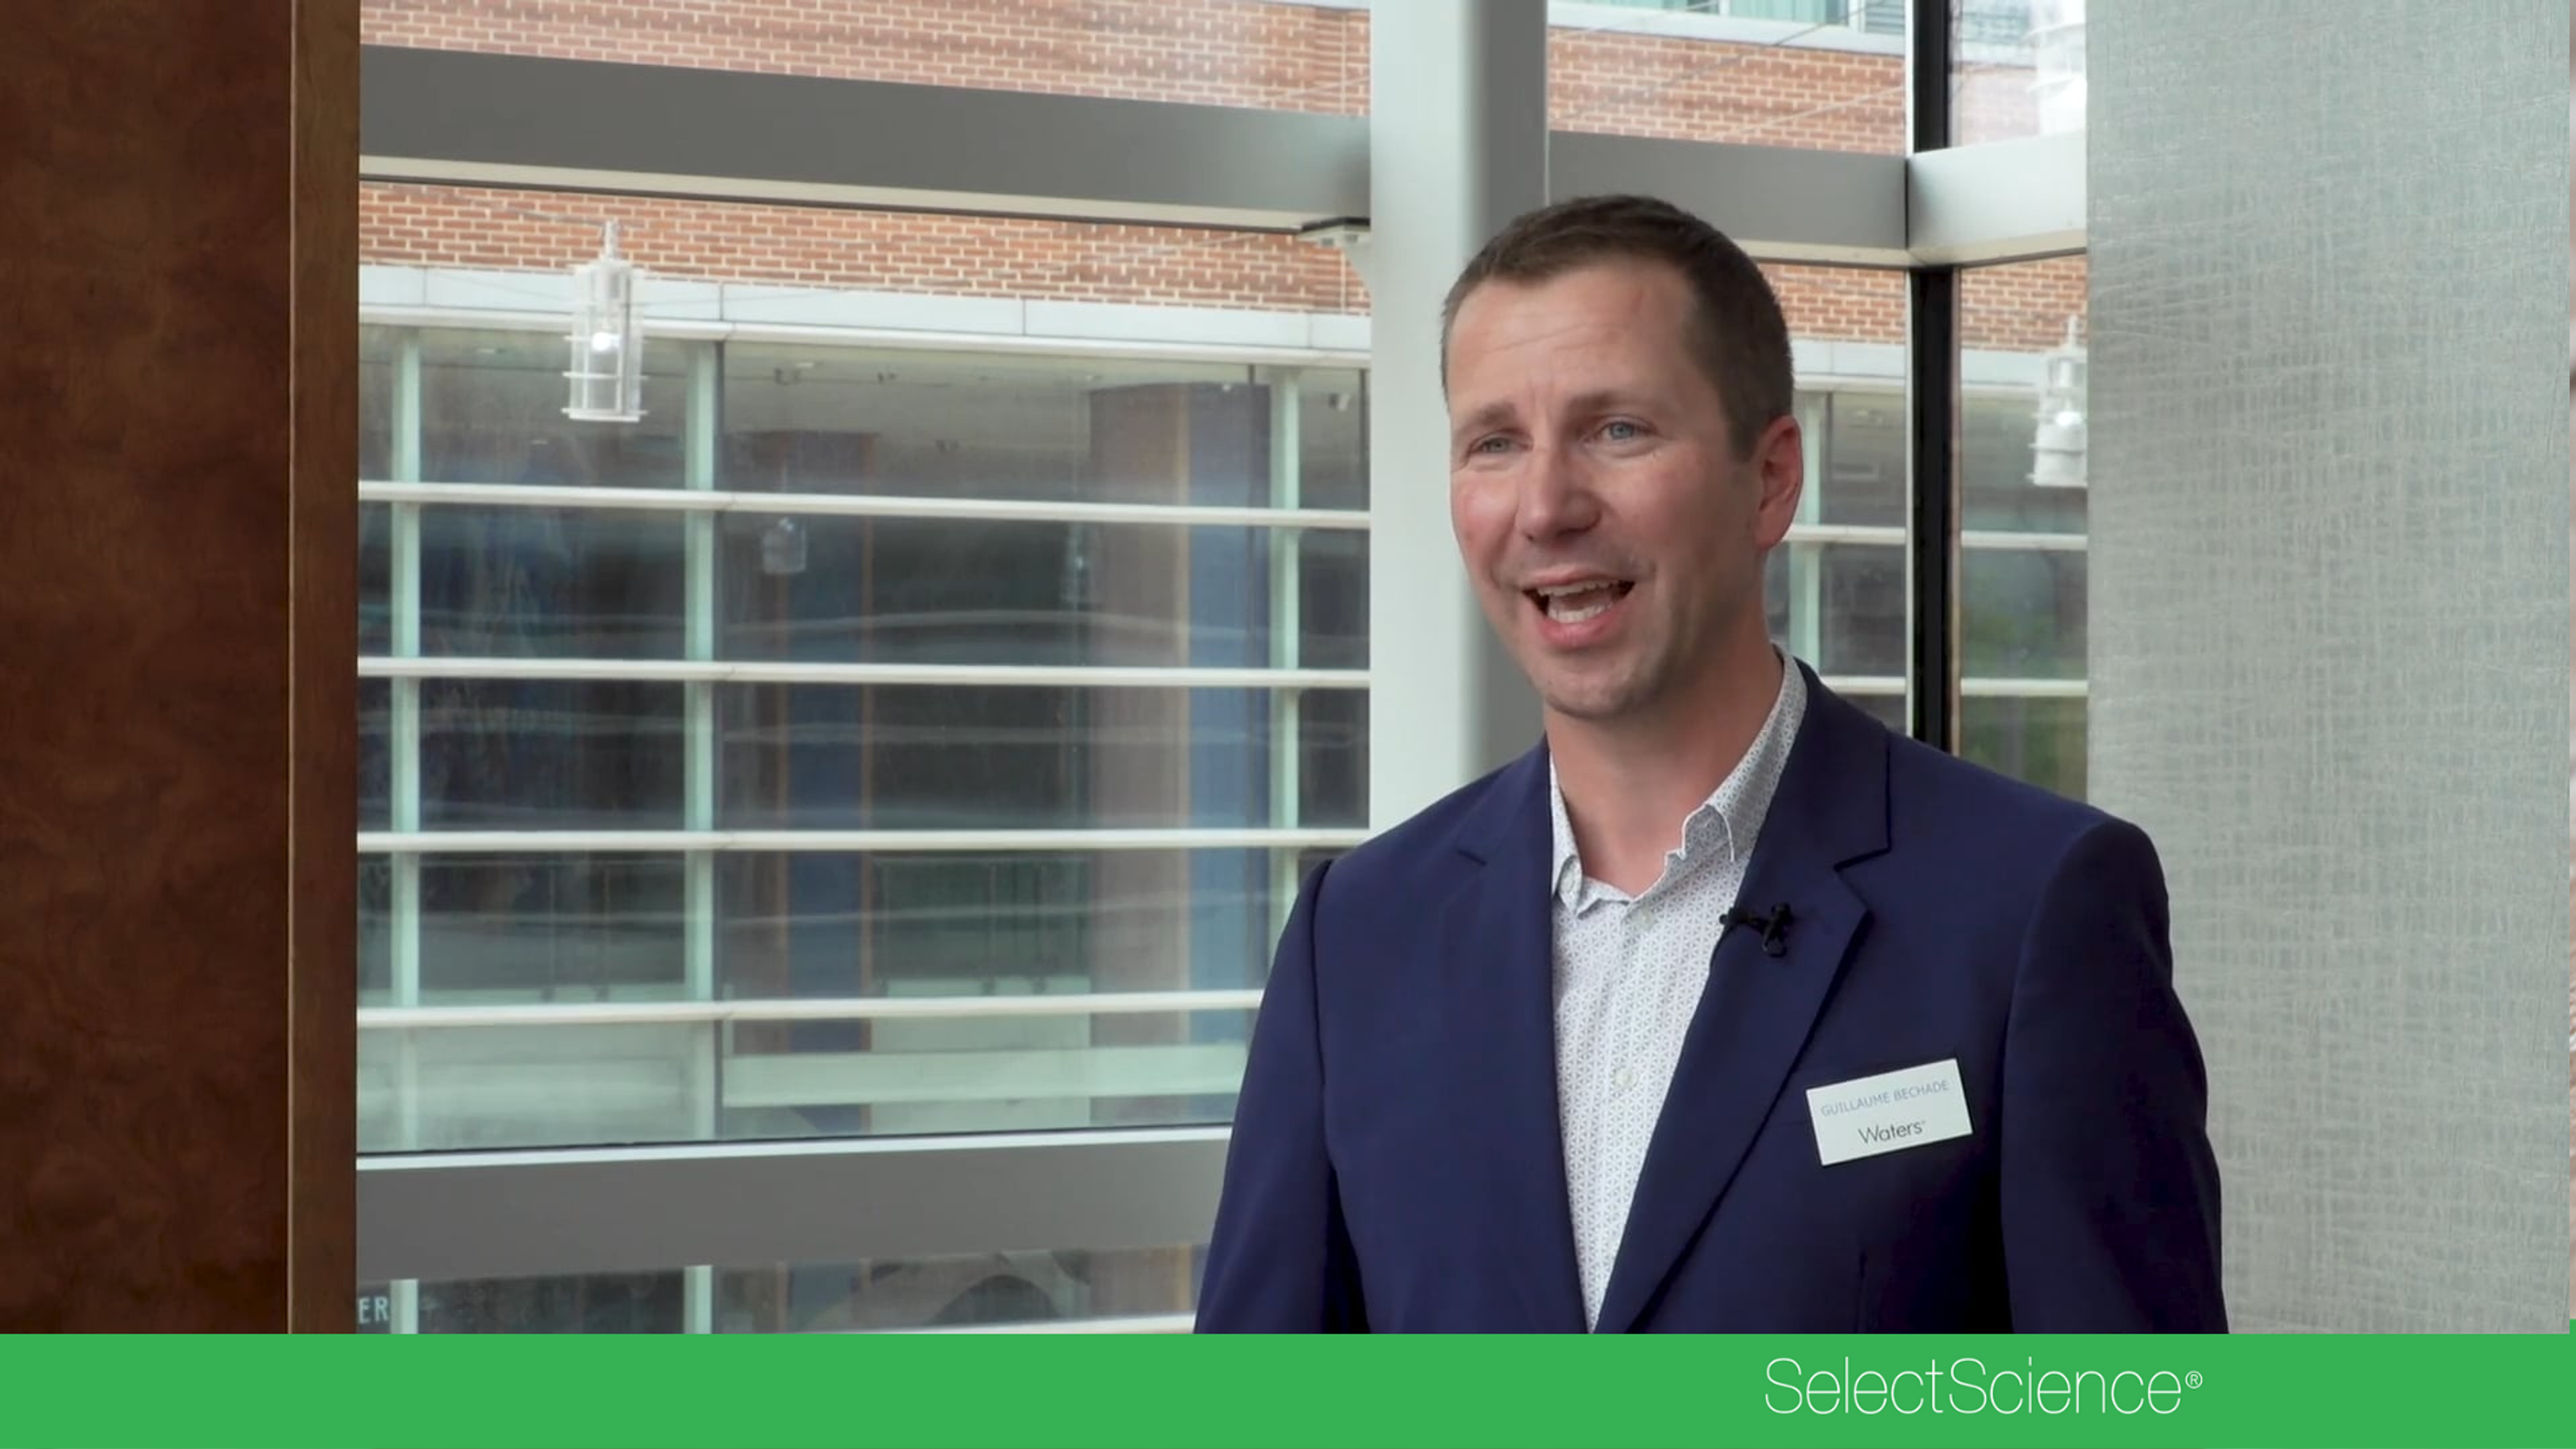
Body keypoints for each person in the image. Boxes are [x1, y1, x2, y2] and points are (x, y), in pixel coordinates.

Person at [1194, 195, 2226, 1333]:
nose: (1546, 506)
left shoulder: (2032, 910)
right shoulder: (1359, 935)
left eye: (1617, 430)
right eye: (1495, 442)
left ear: (1770, 479)